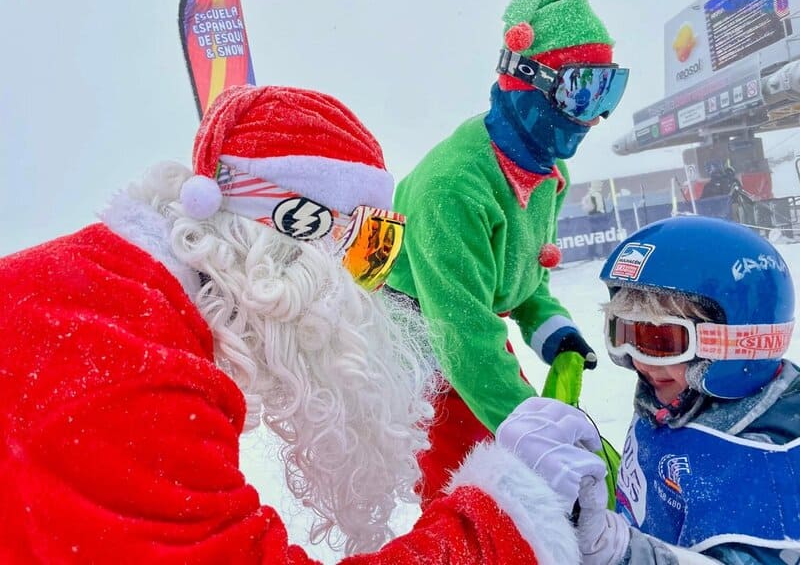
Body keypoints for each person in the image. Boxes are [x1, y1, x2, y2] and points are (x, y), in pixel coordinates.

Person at [0, 84, 586, 564]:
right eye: (368, 248)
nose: (373, 288)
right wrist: (505, 527)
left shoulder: (112, 296)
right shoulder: (127, 365)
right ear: (289, 233)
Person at [385, 0, 630, 507]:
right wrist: (537, 437)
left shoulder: (545, 169)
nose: (595, 116)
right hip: (419, 341)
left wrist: (553, 329)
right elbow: (462, 335)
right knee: (469, 478)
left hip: (464, 328)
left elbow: (523, 279)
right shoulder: (453, 188)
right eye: (581, 90)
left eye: (607, 91)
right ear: (529, 80)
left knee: (512, 456)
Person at [496, 215, 800, 564]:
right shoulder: (674, 400)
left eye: (661, 341)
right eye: (625, 334)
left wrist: (617, 550)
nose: (640, 361)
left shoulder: (768, 462)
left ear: (736, 344)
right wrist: (582, 487)